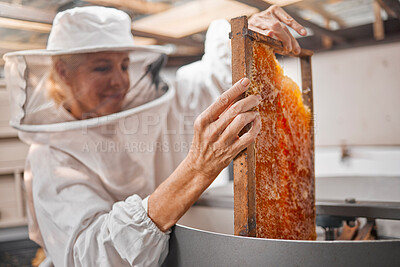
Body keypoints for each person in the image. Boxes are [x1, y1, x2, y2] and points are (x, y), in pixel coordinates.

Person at [3, 5, 306, 267]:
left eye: (124, 64)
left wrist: (245, 35)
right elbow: (92, 256)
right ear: (63, 71)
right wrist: (197, 168)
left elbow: (211, 78)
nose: (120, 80)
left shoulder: (148, 110)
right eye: (102, 67)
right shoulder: (49, 156)